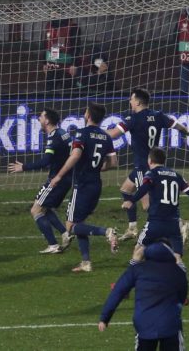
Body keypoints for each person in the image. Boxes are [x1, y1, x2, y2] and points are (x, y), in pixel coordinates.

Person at [105, 88, 189, 243]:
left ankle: (180, 224)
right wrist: (186, 132)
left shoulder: (133, 118)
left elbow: (113, 135)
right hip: (152, 162)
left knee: (147, 205)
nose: (130, 101)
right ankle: (132, 228)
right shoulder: (158, 115)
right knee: (126, 189)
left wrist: (94, 133)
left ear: (138, 102)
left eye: (131, 99)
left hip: (143, 166)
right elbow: (176, 124)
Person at [122, 147, 189, 264]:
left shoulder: (151, 174)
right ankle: (180, 279)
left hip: (155, 222)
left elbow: (144, 189)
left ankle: (132, 279)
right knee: (177, 256)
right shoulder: (176, 175)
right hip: (174, 224)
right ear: (164, 160)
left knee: (138, 250)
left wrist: (131, 200)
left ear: (149, 161)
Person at [49, 103, 118, 272]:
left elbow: (75, 156)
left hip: (82, 185)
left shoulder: (81, 133)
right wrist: (99, 168)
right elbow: (114, 163)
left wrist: (58, 176)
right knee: (80, 223)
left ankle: (106, 232)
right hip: (96, 184)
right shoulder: (106, 136)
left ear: (88, 115)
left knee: (71, 226)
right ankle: (86, 262)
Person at [98, 240, 188, 351]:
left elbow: (118, 292)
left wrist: (105, 318)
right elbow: (182, 297)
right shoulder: (177, 271)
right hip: (170, 324)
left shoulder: (137, 269)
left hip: (144, 325)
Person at [8, 108, 73, 254]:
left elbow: (46, 161)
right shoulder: (63, 133)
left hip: (57, 179)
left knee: (36, 210)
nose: (38, 118)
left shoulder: (54, 137)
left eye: (41, 116)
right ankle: (65, 234)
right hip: (67, 178)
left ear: (47, 120)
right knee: (46, 207)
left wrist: (23, 167)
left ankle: (53, 245)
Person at [44, 16, 81, 92]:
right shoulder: (49, 26)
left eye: (55, 14)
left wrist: (74, 64)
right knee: (49, 90)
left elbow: (76, 47)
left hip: (67, 65)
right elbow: (46, 44)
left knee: (67, 90)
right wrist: (44, 63)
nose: (52, 16)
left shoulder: (73, 27)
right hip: (52, 63)